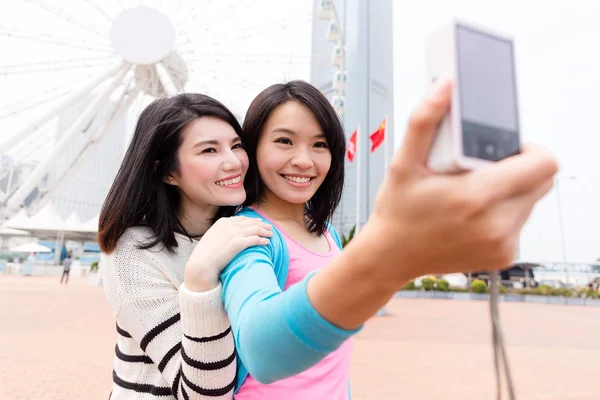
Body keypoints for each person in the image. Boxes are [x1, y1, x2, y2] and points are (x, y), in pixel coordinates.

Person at [219, 79, 558, 399]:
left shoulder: (324, 232)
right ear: (252, 149)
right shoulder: (249, 233)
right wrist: (392, 253)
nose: (305, 160)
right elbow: (260, 350)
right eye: (284, 141)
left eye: (320, 144)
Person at [98, 93, 273, 400]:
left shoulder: (247, 232)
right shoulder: (132, 253)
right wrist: (201, 278)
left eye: (236, 145)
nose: (233, 162)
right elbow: (204, 394)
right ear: (167, 172)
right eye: (209, 150)